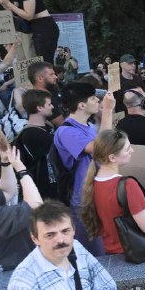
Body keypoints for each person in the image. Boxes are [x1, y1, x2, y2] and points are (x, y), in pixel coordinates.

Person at [81, 130, 145, 255]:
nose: (132, 151)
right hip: (132, 253)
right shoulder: (128, 185)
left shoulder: (92, 183)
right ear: (112, 157)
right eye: (127, 148)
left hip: (110, 253)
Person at [53, 83, 115, 255]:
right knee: (94, 252)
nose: (98, 101)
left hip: (95, 194)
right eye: (93, 98)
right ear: (81, 105)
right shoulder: (66, 131)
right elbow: (101, 147)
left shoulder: (87, 127)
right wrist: (108, 111)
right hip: (83, 200)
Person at [0, 143, 44, 271]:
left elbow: (8, 192)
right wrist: (21, 169)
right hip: (14, 273)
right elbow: (36, 208)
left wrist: (5, 161)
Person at [0, 0, 60, 64]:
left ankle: (51, 78)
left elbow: (28, 15)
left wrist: (9, 4)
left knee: (46, 63)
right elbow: (17, 14)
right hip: (37, 28)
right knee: (42, 63)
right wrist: (5, 4)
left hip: (44, 27)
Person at [15, 89, 56, 199]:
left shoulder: (48, 126)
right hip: (46, 192)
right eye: (49, 104)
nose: (52, 106)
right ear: (39, 108)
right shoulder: (31, 134)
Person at [28, 61, 65, 126]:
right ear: (40, 78)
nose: (55, 77)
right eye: (51, 74)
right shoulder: (40, 101)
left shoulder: (52, 89)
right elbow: (62, 124)